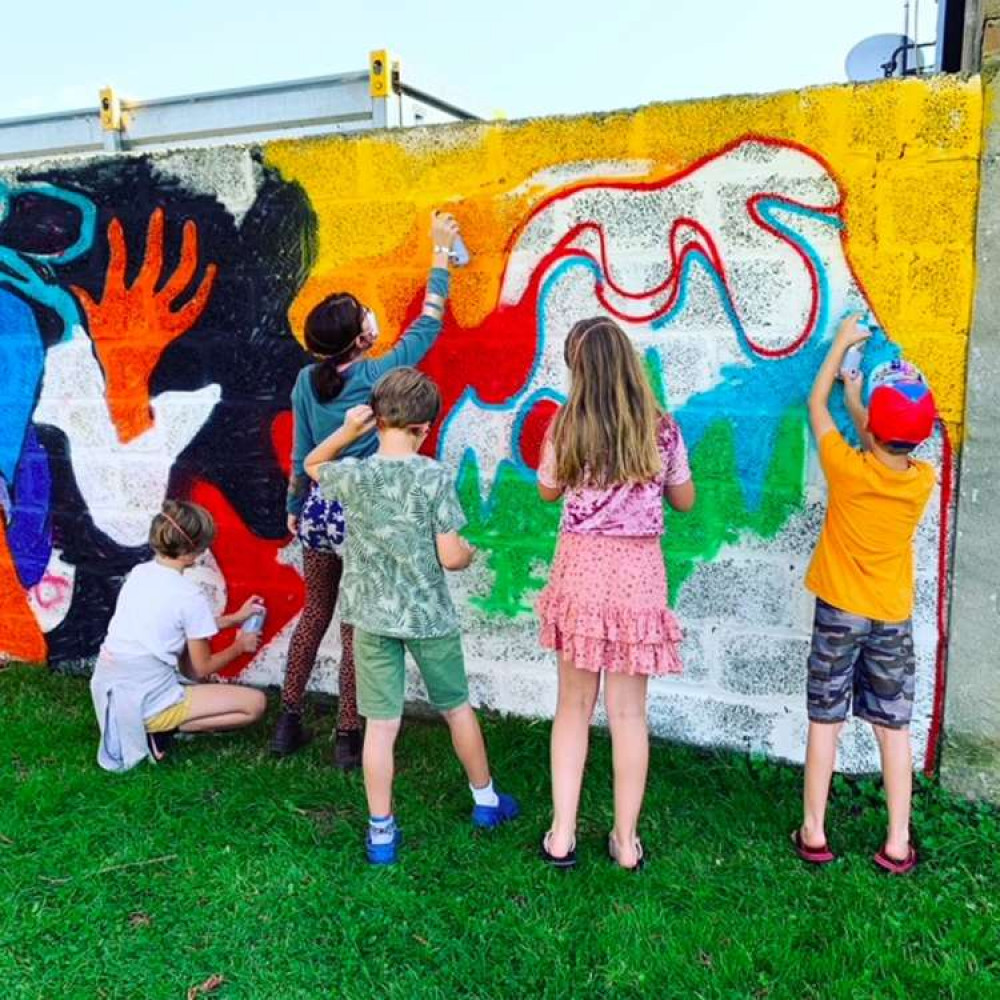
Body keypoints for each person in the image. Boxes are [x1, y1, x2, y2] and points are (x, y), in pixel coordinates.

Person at [304, 368, 519, 865]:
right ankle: (486, 801)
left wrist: (346, 432)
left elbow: (314, 463)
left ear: (376, 420)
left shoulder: (355, 475)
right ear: (426, 428)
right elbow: (450, 556)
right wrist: (466, 553)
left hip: (371, 618)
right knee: (456, 708)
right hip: (428, 617)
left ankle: (382, 832)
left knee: (380, 726)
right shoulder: (434, 475)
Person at [275, 210, 462, 768]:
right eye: (364, 315)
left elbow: (301, 451)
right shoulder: (381, 373)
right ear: (362, 336)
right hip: (363, 513)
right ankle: (346, 737)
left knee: (315, 611)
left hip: (318, 509)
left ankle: (286, 720)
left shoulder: (306, 381)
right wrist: (439, 254)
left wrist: (293, 506)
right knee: (355, 624)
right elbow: (428, 324)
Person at [534, 317, 695, 871]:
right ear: (628, 361)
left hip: (581, 568)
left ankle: (561, 835)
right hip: (638, 575)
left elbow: (548, 490)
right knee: (629, 714)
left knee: (573, 707)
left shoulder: (565, 426)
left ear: (578, 371)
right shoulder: (663, 429)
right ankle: (626, 842)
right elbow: (685, 501)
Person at [794, 315, 937, 875]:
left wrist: (839, 350)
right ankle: (897, 840)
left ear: (871, 430)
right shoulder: (920, 480)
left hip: (839, 612)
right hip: (891, 617)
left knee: (825, 720)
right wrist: (862, 399)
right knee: (892, 726)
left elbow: (815, 407)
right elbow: (883, 438)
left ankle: (814, 831)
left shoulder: (847, 470)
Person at [90, 501, 267, 772]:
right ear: (192, 553)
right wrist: (239, 646)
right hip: (147, 699)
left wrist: (234, 619)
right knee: (255, 704)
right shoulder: (188, 595)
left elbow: (176, 625)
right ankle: (161, 728)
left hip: (111, 688)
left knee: (187, 655)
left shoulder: (140, 573)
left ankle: (155, 722)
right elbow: (201, 668)